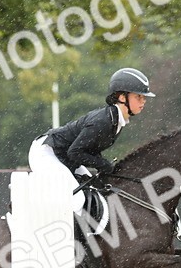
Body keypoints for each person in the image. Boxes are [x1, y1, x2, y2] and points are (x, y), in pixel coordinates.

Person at [28, 68, 155, 213]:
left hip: (65, 156)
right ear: (121, 97)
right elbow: (74, 152)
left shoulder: (117, 121)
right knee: (77, 199)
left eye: (144, 98)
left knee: (95, 192)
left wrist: (104, 167)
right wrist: (103, 164)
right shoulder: (103, 121)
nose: (143, 101)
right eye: (139, 97)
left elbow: (89, 150)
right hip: (47, 152)